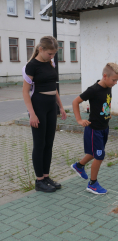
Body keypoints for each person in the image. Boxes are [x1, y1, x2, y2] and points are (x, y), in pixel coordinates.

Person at [22, 36, 67, 193]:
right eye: (50, 53)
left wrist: (61, 107)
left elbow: (53, 87)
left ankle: (46, 177)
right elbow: (25, 92)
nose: (52, 56)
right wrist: (32, 114)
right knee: (39, 144)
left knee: (49, 143)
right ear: (40, 49)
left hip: (50, 107)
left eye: (54, 54)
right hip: (38, 106)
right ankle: (39, 181)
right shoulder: (32, 66)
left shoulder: (50, 63)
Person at [71, 63, 118, 194]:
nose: (115, 83)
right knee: (99, 156)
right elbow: (75, 102)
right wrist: (79, 120)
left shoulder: (108, 86)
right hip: (94, 129)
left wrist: (107, 113)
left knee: (95, 153)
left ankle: (79, 166)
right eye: (114, 80)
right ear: (105, 76)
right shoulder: (93, 89)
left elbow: (104, 103)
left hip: (104, 127)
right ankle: (92, 184)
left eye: (117, 80)